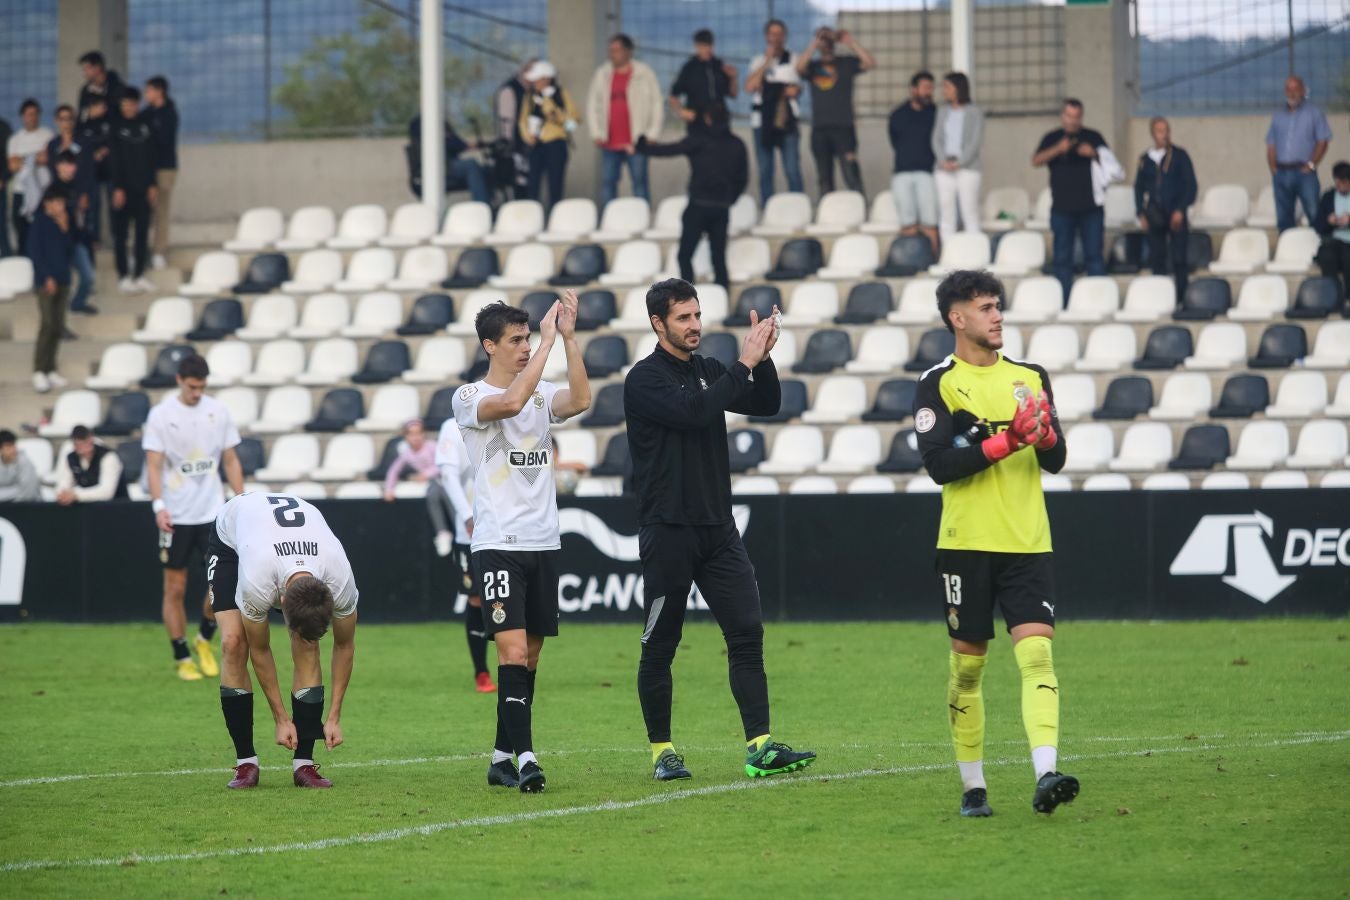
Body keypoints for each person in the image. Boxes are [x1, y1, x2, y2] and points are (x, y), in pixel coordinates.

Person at [623, 277, 816, 782]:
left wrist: (765, 357)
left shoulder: (709, 370)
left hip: (717, 529)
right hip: (668, 530)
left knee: (747, 633)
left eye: (697, 315)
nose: (695, 326)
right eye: (683, 317)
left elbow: (766, 403)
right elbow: (694, 413)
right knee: (661, 642)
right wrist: (745, 363)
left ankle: (760, 746)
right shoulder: (643, 380)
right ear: (657, 323)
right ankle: (662, 750)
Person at [912, 268, 1078, 818]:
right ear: (957, 318)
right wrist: (1010, 439)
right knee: (969, 669)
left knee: (1036, 654)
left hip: (1029, 540)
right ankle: (973, 786)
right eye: (985, 307)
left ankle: (1046, 771)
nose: (997, 315)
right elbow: (939, 465)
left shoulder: (1031, 376)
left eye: (998, 305)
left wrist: (1045, 435)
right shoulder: (938, 382)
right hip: (966, 543)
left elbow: (1055, 459)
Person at [452, 292, 591, 793]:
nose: (526, 347)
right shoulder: (468, 398)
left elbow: (579, 401)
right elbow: (509, 401)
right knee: (510, 655)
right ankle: (528, 758)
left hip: (544, 543)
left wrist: (569, 341)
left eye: (528, 337)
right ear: (488, 345)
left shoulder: (541, 392)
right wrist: (550, 344)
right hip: (498, 544)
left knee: (527, 662)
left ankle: (498, 757)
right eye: (515, 340)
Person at [207, 491, 359, 790]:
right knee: (234, 643)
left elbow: (344, 645)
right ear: (281, 601)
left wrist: (334, 716)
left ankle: (304, 764)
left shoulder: (340, 580)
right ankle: (245, 762)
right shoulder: (258, 580)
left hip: (285, 542)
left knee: (307, 644)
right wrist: (280, 718)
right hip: (233, 535)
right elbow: (260, 650)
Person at [143, 353, 245, 681]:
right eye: (192, 387)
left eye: (201, 387)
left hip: (212, 512)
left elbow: (230, 460)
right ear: (179, 381)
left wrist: (240, 501)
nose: (197, 393)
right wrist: (159, 506)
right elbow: (154, 464)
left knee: (221, 585)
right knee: (175, 588)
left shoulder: (218, 411)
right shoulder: (161, 416)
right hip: (177, 514)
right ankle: (182, 655)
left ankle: (204, 639)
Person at [637, 103, 747, 290]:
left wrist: (642, 147)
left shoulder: (698, 140)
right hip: (721, 208)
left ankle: (689, 299)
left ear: (707, 119)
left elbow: (668, 150)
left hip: (698, 206)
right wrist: (730, 199)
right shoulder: (737, 144)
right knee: (718, 258)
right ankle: (722, 298)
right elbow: (743, 178)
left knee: (684, 255)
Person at [435, 416, 496, 694]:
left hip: (509, 525)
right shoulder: (454, 425)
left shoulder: (513, 414)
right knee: (477, 597)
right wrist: (466, 515)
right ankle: (481, 671)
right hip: (470, 531)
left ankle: (515, 664)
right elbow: (447, 475)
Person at [1033, 98, 1108, 303]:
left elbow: (1111, 165)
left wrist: (1093, 154)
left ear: (1081, 117)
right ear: (1062, 116)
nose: (1073, 122)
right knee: (1062, 259)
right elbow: (1036, 160)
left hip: (1091, 208)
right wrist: (1058, 149)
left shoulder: (1093, 136)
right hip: (1062, 208)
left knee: (1094, 257)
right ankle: (1063, 302)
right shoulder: (1053, 137)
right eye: (1069, 117)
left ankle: (1098, 301)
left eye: (1077, 117)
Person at [587, 33, 664, 206]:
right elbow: (593, 104)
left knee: (639, 183)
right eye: (610, 50)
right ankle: (609, 221)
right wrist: (596, 132)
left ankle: (642, 218)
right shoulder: (602, 73)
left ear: (628, 52)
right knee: (608, 183)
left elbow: (657, 103)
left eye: (616, 50)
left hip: (636, 141)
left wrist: (652, 133)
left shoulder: (644, 73)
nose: (612, 54)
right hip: (609, 141)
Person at [797, 26, 873, 195]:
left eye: (828, 39)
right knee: (824, 178)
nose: (826, 43)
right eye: (823, 39)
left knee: (850, 172)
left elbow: (869, 63)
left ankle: (859, 204)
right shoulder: (813, 66)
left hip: (844, 127)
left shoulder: (846, 62)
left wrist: (850, 42)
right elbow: (799, 68)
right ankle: (827, 211)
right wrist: (814, 45)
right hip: (820, 129)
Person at [1134, 117, 1197, 301]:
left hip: (1175, 213)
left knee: (1179, 259)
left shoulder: (1179, 156)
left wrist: (1180, 209)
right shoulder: (1145, 159)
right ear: (1153, 134)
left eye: (1166, 130)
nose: (1164, 134)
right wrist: (1140, 212)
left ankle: (1181, 298)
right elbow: (1138, 187)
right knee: (1157, 259)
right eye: (1160, 131)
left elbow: (1190, 185)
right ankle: (1160, 298)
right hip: (1155, 215)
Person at [382, 417, 460, 558]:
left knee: (444, 496)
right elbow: (394, 470)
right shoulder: (407, 454)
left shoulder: (431, 446)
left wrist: (425, 474)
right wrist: (389, 489)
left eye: (418, 433)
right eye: (411, 434)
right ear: (405, 437)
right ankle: (442, 532)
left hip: (446, 480)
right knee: (433, 494)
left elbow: (442, 463)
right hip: (433, 484)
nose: (415, 437)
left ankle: (459, 530)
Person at [745, 18, 803, 202]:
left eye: (779, 34)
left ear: (785, 36)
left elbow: (797, 88)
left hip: (786, 119)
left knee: (792, 168)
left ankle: (797, 205)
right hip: (762, 121)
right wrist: (767, 61)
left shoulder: (794, 59)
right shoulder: (757, 61)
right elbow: (750, 86)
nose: (776, 38)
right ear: (766, 36)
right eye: (772, 34)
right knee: (765, 169)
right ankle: (768, 206)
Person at [1267, 76, 1333, 233]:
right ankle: (1287, 251)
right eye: (1288, 89)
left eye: (1295, 89)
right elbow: (1271, 144)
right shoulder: (1278, 116)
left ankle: (1320, 249)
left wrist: (1311, 165)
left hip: (1304, 173)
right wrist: (1273, 168)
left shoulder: (1314, 114)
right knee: (1284, 218)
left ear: (1303, 91)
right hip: (1281, 172)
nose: (1291, 93)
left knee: (1314, 214)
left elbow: (1322, 142)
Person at [109, 87, 157, 293]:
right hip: (123, 190)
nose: (128, 107)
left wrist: (152, 184)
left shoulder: (146, 127)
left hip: (143, 189)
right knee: (121, 235)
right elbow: (115, 162)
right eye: (124, 104)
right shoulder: (116, 128)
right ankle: (122, 275)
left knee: (142, 233)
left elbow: (151, 158)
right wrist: (118, 187)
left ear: (137, 104)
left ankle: (139, 273)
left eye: (132, 103)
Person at [27, 186, 73, 394]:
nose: (60, 207)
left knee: (58, 325)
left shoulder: (63, 223)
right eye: (56, 202)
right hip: (46, 282)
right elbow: (35, 253)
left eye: (62, 203)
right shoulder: (39, 223)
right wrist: (46, 277)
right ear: (47, 203)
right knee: (47, 324)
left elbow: (70, 250)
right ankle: (39, 370)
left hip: (63, 279)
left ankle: (51, 368)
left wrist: (65, 230)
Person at [888, 72, 939, 255]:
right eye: (925, 88)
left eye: (931, 88)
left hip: (927, 172)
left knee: (930, 221)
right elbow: (894, 141)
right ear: (913, 89)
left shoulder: (936, 114)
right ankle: (912, 258)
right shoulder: (898, 115)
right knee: (907, 222)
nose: (929, 92)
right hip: (902, 172)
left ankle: (932, 258)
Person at [518, 61, 579, 214]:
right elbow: (523, 120)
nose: (535, 83)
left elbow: (574, 123)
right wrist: (527, 136)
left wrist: (557, 116)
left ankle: (554, 218)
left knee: (555, 185)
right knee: (533, 185)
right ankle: (533, 217)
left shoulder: (561, 95)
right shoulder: (530, 97)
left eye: (538, 79)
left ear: (547, 79)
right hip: (536, 145)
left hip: (556, 144)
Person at [932, 72, 985, 243]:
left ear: (959, 88)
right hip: (944, 167)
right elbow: (936, 138)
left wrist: (959, 162)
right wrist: (942, 160)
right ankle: (949, 255)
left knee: (969, 211)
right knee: (946, 213)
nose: (944, 91)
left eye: (948, 86)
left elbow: (975, 141)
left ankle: (975, 255)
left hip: (967, 168)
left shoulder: (975, 112)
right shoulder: (942, 111)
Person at [406, 115, 491, 204]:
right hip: (442, 168)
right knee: (471, 164)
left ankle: (491, 206)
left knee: (487, 171)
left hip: (446, 165)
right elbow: (456, 145)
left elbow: (457, 144)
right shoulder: (426, 125)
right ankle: (481, 205)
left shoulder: (427, 125)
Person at [53, 150, 99, 315]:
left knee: (88, 276)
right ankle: (60, 321)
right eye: (65, 164)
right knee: (62, 284)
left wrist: (90, 239)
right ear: (58, 167)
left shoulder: (80, 188)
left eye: (72, 165)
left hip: (77, 242)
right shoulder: (52, 190)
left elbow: (83, 220)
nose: (69, 169)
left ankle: (78, 303)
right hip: (59, 245)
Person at [7, 99, 54, 256]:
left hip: (42, 192)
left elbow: (46, 158)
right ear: (22, 117)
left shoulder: (47, 135)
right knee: (21, 232)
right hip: (21, 191)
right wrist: (34, 157)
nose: (32, 118)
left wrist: (23, 159)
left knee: (41, 233)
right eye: (29, 115)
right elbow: (13, 165)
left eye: (35, 114)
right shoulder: (15, 139)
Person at [669, 30, 737, 134]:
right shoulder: (689, 68)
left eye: (709, 46)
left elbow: (733, 94)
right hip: (697, 125)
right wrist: (682, 112)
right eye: (703, 46)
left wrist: (733, 78)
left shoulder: (720, 66)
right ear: (696, 46)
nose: (706, 49)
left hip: (720, 124)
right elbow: (673, 96)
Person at [143, 76, 178, 270]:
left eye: (149, 91)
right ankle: (143, 250)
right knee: (145, 211)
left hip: (164, 168)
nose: (146, 95)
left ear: (159, 91)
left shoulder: (169, 113)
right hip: (146, 168)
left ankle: (159, 251)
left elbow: (163, 141)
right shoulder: (146, 114)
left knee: (161, 210)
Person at [55, 424, 126, 504]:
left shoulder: (109, 457)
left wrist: (76, 495)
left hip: (115, 507)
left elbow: (107, 492)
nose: (84, 448)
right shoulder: (71, 458)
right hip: (86, 509)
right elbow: (64, 483)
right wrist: (64, 494)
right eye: (79, 444)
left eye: (86, 442)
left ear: (91, 440)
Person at [76, 95, 113, 244]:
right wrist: (93, 153)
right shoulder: (82, 123)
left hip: (109, 172)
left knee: (113, 206)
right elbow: (81, 143)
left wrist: (104, 150)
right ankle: (94, 239)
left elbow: (112, 140)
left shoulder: (108, 122)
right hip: (91, 174)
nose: (103, 110)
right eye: (100, 106)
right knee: (93, 208)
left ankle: (115, 237)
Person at [1314, 160, 1350, 311]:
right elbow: (1318, 226)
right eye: (1339, 182)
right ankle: (1333, 298)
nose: (1342, 185)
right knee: (1326, 256)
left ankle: (1348, 298)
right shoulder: (1328, 197)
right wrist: (1330, 221)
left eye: (1345, 182)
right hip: (1333, 241)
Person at [77, 51, 127, 125]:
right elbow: (80, 116)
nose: (84, 73)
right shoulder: (85, 90)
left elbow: (122, 111)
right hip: (91, 134)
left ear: (97, 67)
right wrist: (89, 113)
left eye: (87, 68)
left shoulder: (118, 87)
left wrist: (103, 109)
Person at [0, 429, 41, 502]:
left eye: (14, 445)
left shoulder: (25, 462)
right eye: (8, 446)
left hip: (28, 506)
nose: (13, 450)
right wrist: (16, 489)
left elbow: (28, 493)